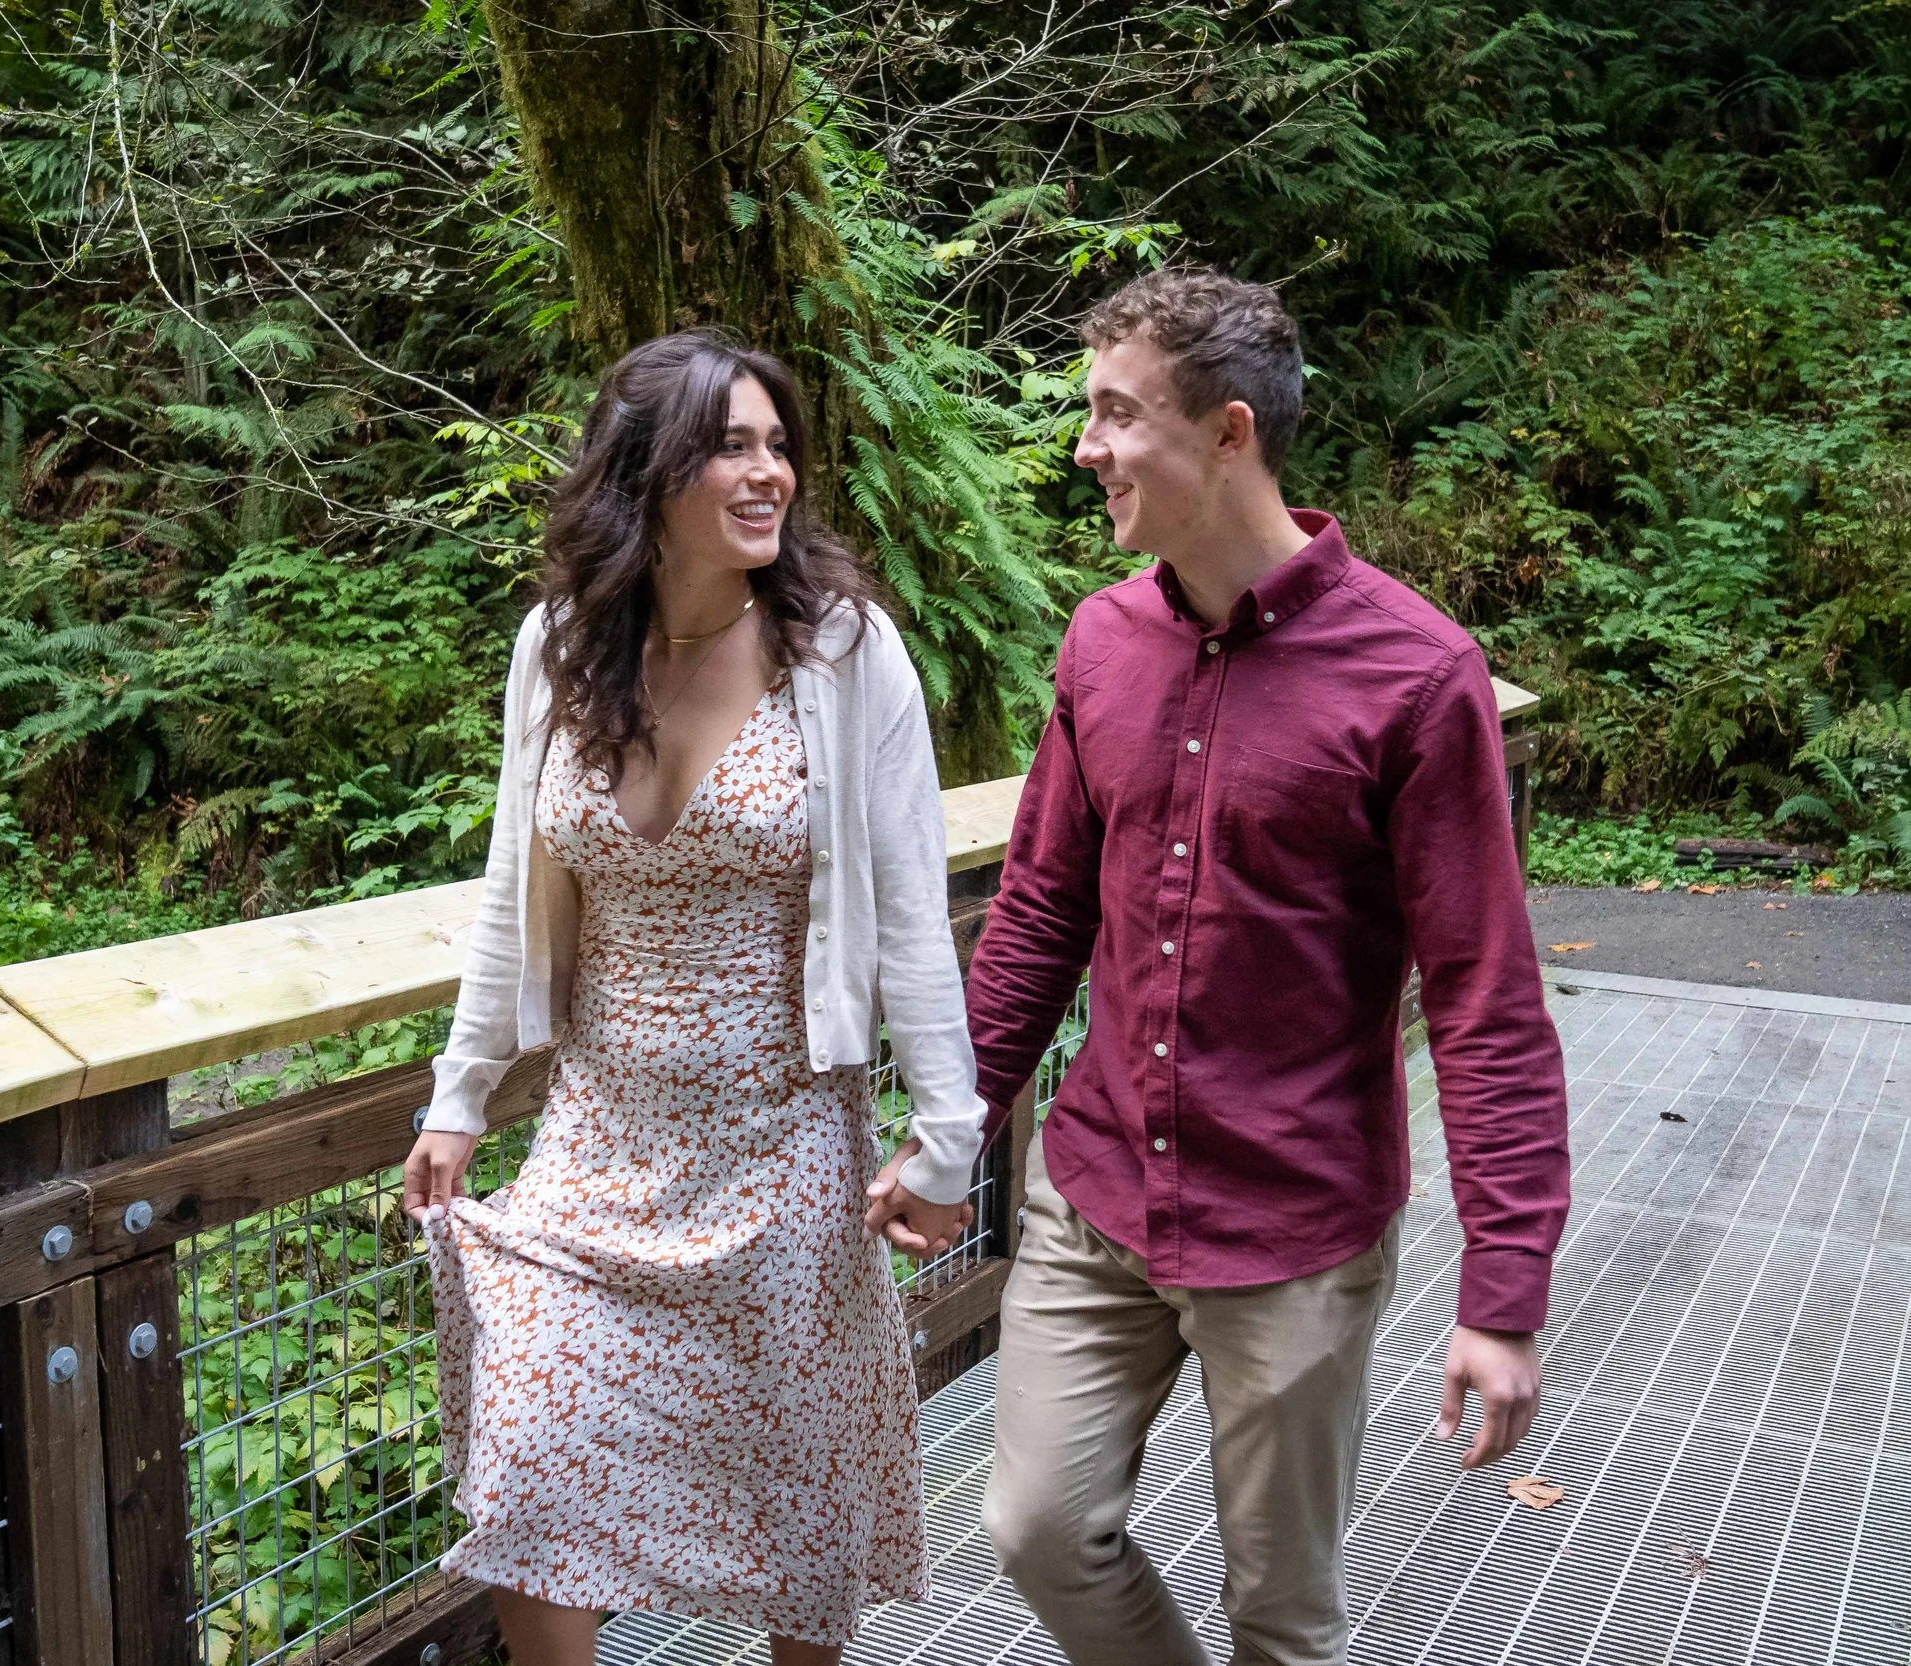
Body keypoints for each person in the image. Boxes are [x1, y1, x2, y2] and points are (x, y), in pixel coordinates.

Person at [874, 268, 1573, 1665]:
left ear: (1231, 433)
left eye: (1116, 414)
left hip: (1295, 1229)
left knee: (1283, 1615)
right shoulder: (1101, 642)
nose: (1086, 446)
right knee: (1034, 1524)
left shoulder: (1418, 676)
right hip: (1101, 1190)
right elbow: (1036, 918)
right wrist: (948, 1136)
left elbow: (1487, 999)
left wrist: (1504, 1290)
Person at [401, 327, 988, 1666]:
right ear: (647, 474)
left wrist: (947, 1139)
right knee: (530, 1462)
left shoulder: (843, 654)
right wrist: (459, 1094)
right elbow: (511, 887)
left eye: (778, 443)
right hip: (594, 1148)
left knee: (798, 1526)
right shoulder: (559, 647)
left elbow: (911, 914)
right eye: (732, 443)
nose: (768, 469)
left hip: (784, 1153)